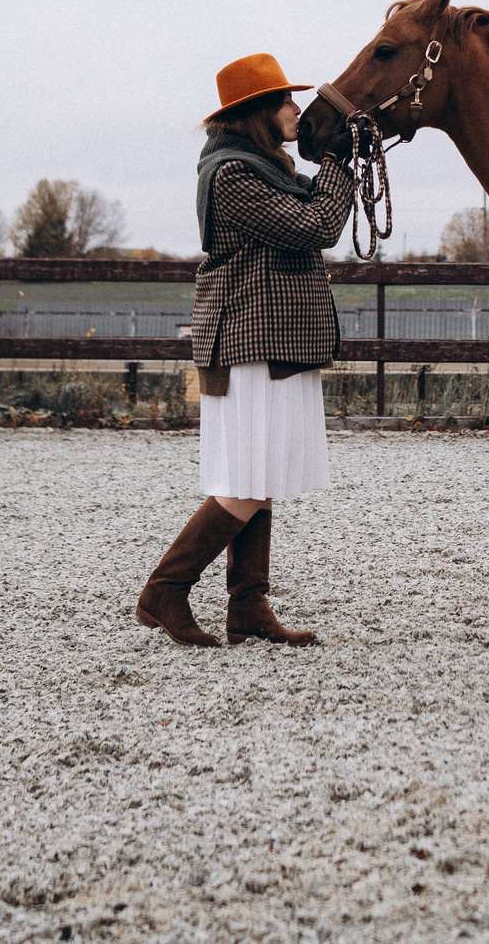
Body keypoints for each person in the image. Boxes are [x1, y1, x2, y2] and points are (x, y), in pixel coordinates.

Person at [135, 52, 353, 648]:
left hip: (266, 339)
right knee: (249, 481)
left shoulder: (262, 168)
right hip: (251, 342)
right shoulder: (233, 175)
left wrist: (335, 166)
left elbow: (312, 212)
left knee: (259, 473)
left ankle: (248, 606)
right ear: (258, 112)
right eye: (285, 100)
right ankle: (165, 589)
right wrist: (338, 163)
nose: (297, 109)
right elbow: (317, 226)